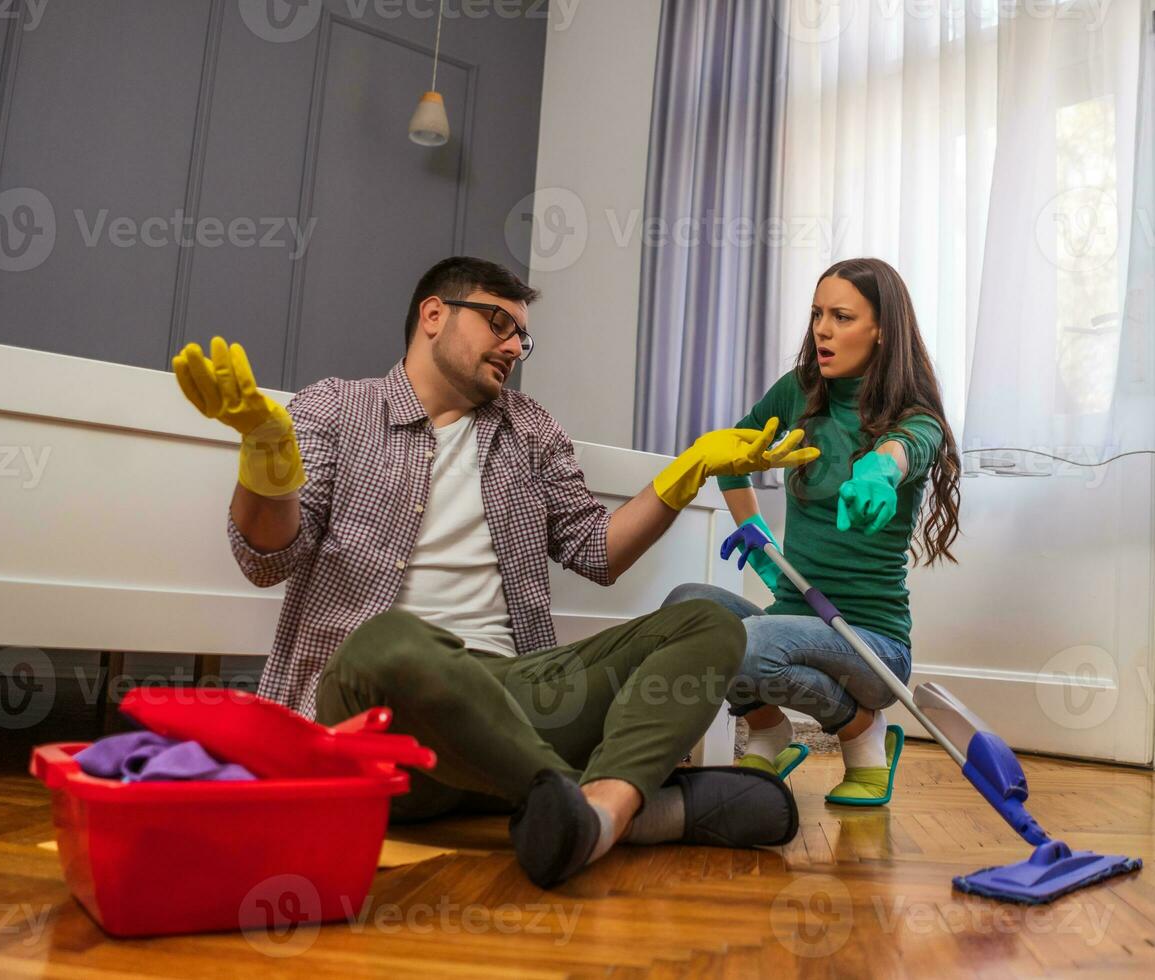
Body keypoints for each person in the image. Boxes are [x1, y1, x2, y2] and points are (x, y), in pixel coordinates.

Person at [172, 256, 820, 887]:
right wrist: (264, 455)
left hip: (513, 701)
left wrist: (689, 470)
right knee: (388, 639)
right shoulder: (337, 409)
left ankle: (595, 814)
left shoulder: (531, 430)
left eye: (521, 335)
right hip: (372, 723)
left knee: (708, 621)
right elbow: (270, 557)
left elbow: (598, 553)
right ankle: (624, 807)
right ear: (433, 314)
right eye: (496, 322)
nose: (513, 345)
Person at [663, 257, 961, 807]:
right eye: (817, 314)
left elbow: (906, 450)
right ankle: (771, 732)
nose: (822, 330)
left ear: (881, 331)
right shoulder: (799, 392)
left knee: (741, 647)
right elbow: (736, 451)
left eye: (842, 317)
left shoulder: (915, 417)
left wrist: (878, 469)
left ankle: (862, 732)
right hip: (796, 613)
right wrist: (754, 531)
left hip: (871, 645)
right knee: (687, 612)